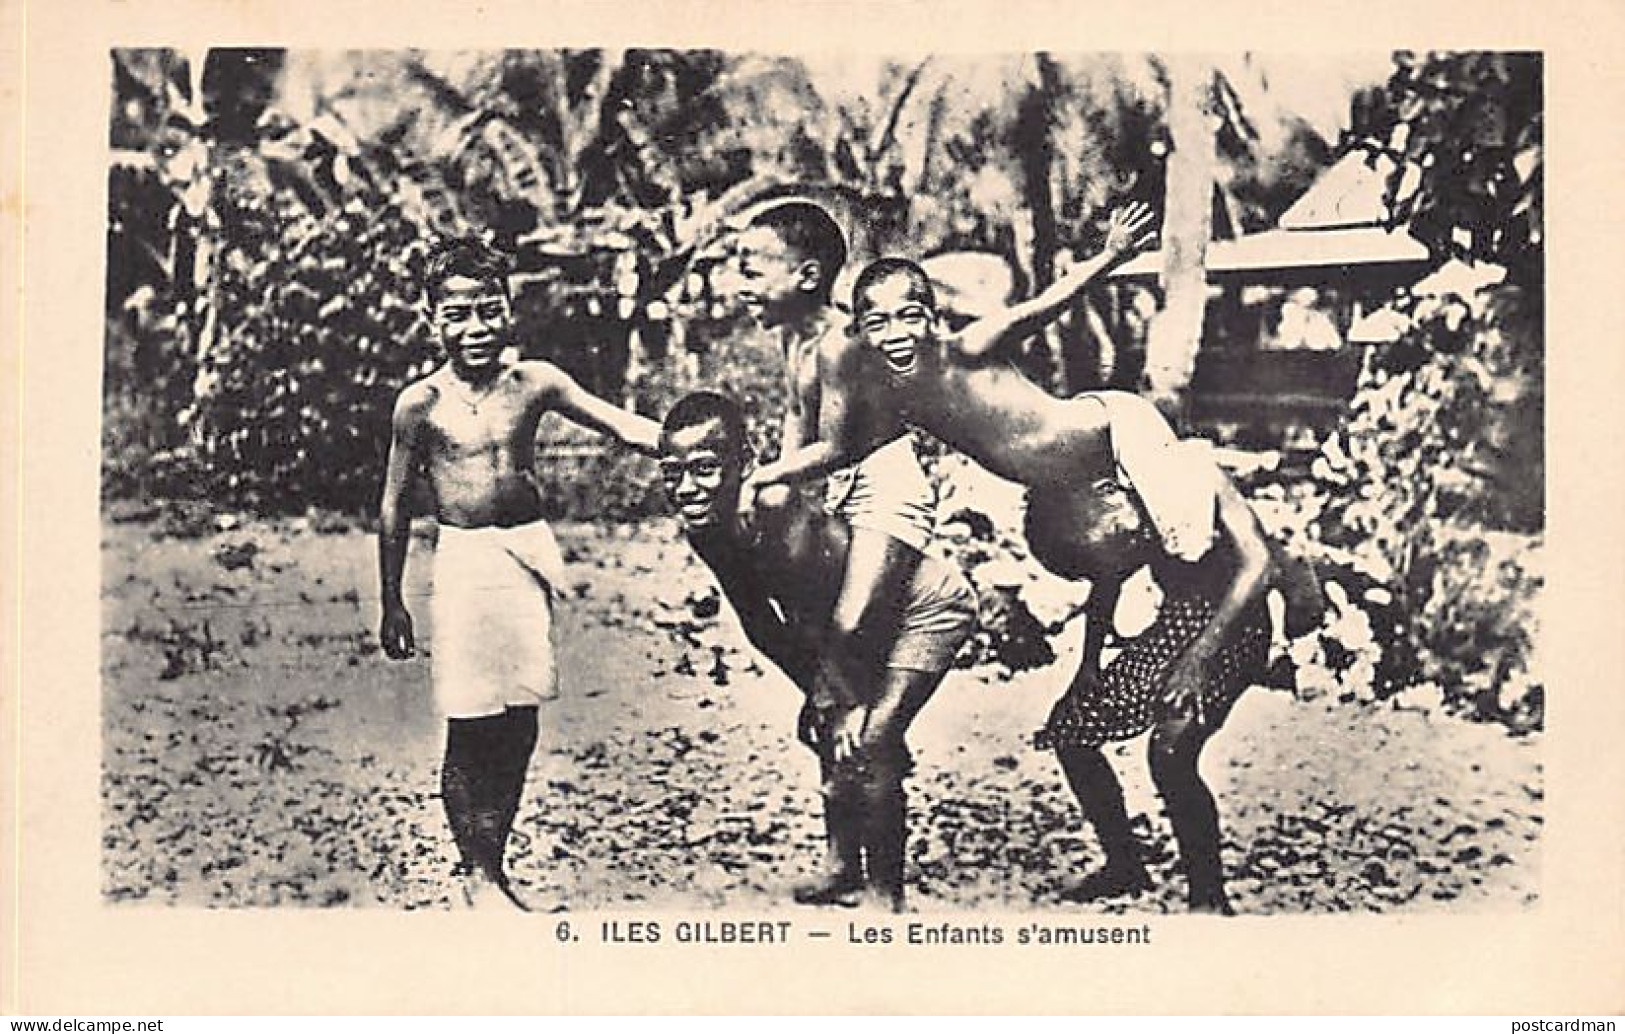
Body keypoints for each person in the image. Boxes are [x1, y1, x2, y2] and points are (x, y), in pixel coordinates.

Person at [833, 203, 1284, 914]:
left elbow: (1044, 303)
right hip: (1127, 555)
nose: (897, 332)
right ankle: (1124, 864)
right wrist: (1086, 663)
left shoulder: (976, 349)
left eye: (910, 314)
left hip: (1177, 529)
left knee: (1174, 718)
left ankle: (1208, 900)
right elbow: (1107, 578)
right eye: (878, 321)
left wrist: (1106, 256)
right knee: (1075, 727)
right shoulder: (896, 398)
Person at [376, 237, 661, 910]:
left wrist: (690, 441)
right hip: (465, 561)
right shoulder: (420, 403)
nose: (474, 327)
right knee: (470, 717)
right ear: (430, 316)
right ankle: (478, 875)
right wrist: (391, 600)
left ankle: (493, 862)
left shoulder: (535, 381)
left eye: (486, 309)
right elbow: (393, 502)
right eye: (457, 312)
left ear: (507, 310)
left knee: (520, 716)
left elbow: (621, 425)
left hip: (526, 555)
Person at [659, 391, 976, 911]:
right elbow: (762, 626)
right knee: (831, 730)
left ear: (747, 464)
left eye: (705, 469)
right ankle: (843, 867)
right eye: (672, 473)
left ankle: (884, 896)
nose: (687, 488)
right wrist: (823, 698)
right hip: (849, 628)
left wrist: (847, 700)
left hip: (922, 608)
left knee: (871, 742)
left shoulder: (775, 505)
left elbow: (844, 613)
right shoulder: (707, 528)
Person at [727, 201, 937, 747]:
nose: (737, 283)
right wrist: (777, 486)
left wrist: (762, 480)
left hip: (887, 487)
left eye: (751, 269)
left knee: (850, 621)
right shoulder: (791, 335)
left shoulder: (838, 342)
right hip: (846, 486)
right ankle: (835, 700)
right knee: (801, 607)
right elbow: (798, 414)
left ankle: (834, 701)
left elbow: (838, 446)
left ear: (807, 276)